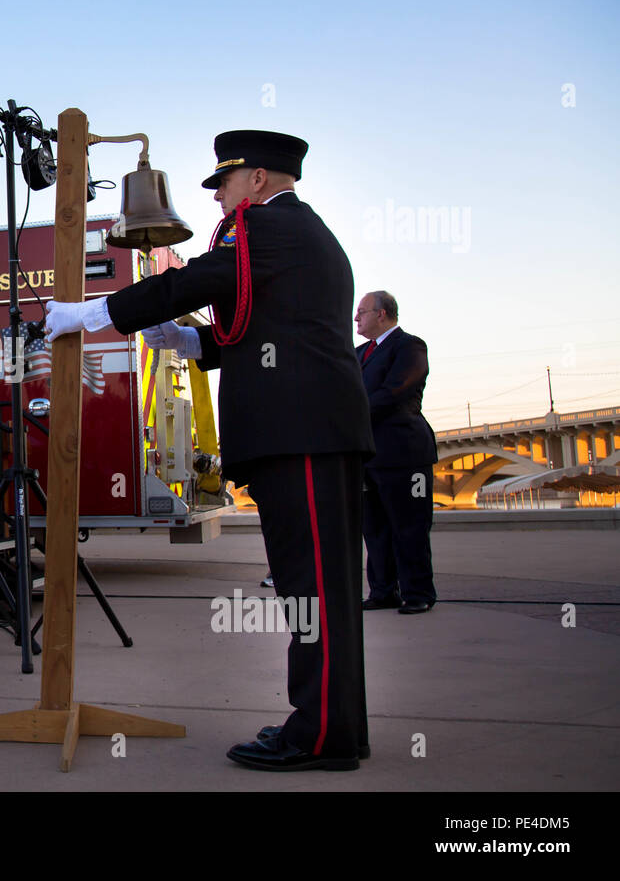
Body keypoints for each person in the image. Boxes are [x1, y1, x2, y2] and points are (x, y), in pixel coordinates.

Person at [45, 130, 374, 771]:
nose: (219, 197)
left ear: (256, 180)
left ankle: (320, 735)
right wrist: (197, 345)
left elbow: (197, 280)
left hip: (299, 433)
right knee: (321, 589)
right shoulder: (298, 233)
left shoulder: (260, 226)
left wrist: (91, 315)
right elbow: (270, 323)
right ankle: (336, 728)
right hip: (312, 430)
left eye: (224, 182)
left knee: (312, 589)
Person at [354, 291, 438, 614]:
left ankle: (418, 592)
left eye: (362, 312)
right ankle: (383, 590)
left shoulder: (410, 347)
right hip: (369, 455)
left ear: (383, 314)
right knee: (374, 528)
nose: (356, 318)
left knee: (409, 525)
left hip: (405, 454)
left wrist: (350, 412)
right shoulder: (358, 353)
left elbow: (394, 392)